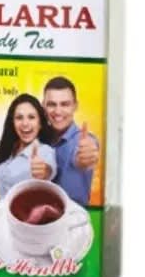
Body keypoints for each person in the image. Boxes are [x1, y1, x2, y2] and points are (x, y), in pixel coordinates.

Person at [35, 76, 100, 205]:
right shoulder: (38, 139)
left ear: (75, 106)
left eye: (65, 104)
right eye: (52, 104)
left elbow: (83, 156)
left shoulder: (83, 140)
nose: (58, 111)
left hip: (73, 216)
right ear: (43, 106)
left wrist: (85, 157)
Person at [0, 93, 57, 199]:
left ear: (40, 123)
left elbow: (48, 170)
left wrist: (45, 171)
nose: (25, 123)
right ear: (13, 123)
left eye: (31, 117)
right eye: (19, 117)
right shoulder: (8, 150)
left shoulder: (44, 151)